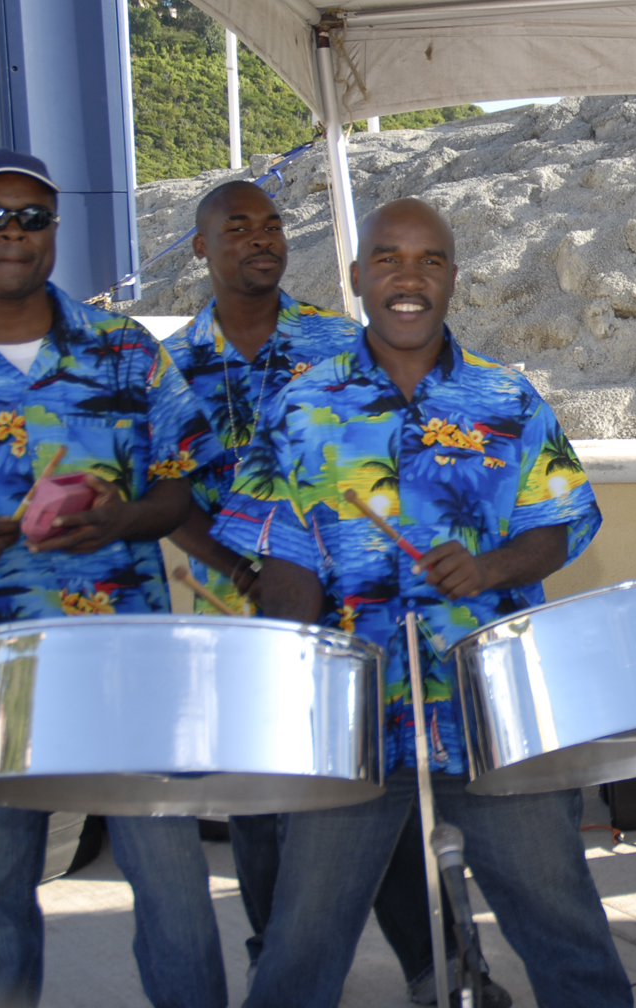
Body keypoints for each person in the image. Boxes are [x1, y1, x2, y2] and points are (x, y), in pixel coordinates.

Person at [212, 198, 632, 1008]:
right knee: (301, 948)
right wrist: (275, 679)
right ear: (359, 276)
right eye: (390, 259)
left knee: (567, 931)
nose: (409, 278)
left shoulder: (506, 400)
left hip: (490, 716)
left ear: (451, 277)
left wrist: (488, 565)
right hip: (356, 721)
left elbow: (563, 522)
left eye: (429, 260)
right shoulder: (301, 408)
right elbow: (289, 564)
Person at [162, 180, 508, 1007]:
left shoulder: (334, 341)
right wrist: (250, 571)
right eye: (237, 227)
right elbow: (166, 492)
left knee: (366, 799)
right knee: (263, 815)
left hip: (356, 617)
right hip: (230, 612)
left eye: (273, 226)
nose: (261, 240)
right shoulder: (167, 364)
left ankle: (443, 967)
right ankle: (274, 966)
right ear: (200, 250)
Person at [0, 149, 227, 1008]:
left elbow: (182, 483)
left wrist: (121, 519)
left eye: (32, 217)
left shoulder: (124, 352)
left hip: (126, 667)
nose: (13, 233)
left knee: (175, 897)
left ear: (54, 232)